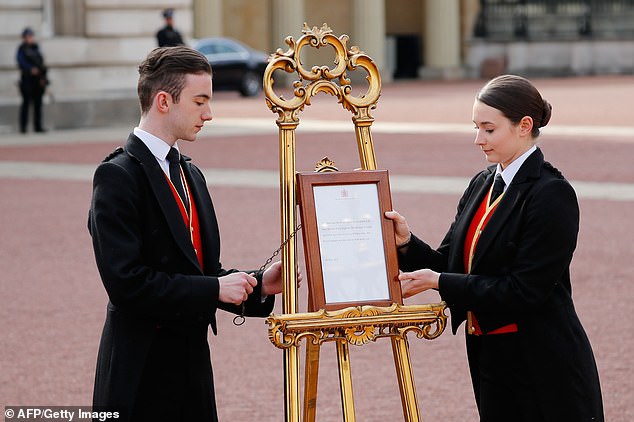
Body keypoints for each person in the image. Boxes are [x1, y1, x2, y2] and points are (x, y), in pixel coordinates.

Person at [386, 74, 604, 421]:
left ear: (524, 126)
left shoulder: (552, 194)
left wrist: (437, 282)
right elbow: (452, 264)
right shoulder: (482, 182)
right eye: (476, 127)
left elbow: (523, 291)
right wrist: (406, 242)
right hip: (489, 359)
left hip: (544, 365)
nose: (478, 139)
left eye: (489, 129)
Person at [88, 46, 283, 422]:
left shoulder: (190, 172)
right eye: (199, 102)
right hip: (140, 370)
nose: (208, 114)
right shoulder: (116, 176)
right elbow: (127, 284)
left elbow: (201, 270)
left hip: (191, 369)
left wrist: (259, 285)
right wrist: (213, 290)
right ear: (164, 101)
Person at [16, 27, 48, 133]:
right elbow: (21, 62)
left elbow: (41, 62)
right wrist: (30, 69)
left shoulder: (36, 48)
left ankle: (38, 126)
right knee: (26, 103)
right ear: (24, 37)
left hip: (37, 80)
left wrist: (43, 77)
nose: (30, 38)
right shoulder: (22, 49)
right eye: (28, 36)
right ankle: (23, 127)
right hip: (27, 80)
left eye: (31, 36)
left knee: (38, 104)